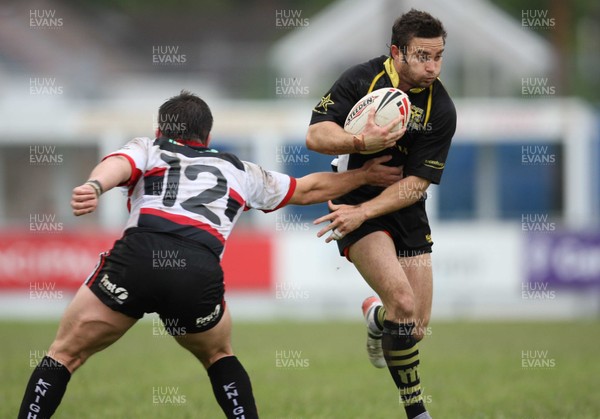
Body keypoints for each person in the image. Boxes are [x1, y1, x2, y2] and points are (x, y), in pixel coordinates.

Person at [17, 91, 402, 419]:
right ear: (208, 136)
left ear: (160, 131)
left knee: (65, 354)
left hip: (139, 257)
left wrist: (95, 185)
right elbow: (307, 189)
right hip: (197, 269)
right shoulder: (239, 169)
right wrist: (365, 176)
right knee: (219, 355)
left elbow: (119, 164)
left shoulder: (149, 147)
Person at [306, 9, 456, 419]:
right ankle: (418, 412)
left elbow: (416, 185)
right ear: (397, 52)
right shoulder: (360, 79)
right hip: (354, 201)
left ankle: (376, 316)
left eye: (439, 56)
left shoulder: (441, 108)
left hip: (402, 207)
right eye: (423, 56)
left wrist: (367, 211)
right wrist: (359, 141)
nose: (433, 67)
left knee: (414, 326)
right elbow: (315, 134)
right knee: (403, 303)